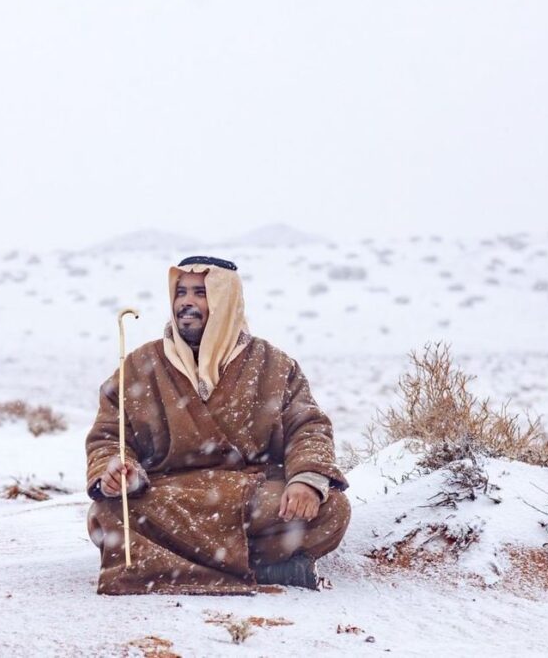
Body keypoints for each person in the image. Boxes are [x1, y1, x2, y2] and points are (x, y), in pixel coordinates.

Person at [85, 255, 350, 595]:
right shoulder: (140, 364)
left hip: (253, 495)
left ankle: (173, 564)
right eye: (181, 292)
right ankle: (262, 569)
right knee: (105, 514)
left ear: (225, 299)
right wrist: (120, 472)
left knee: (332, 510)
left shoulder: (273, 364)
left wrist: (306, 481)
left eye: (201, 292)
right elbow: (109, 436)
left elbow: (308, 427)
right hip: (170, 496)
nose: (186, 302)